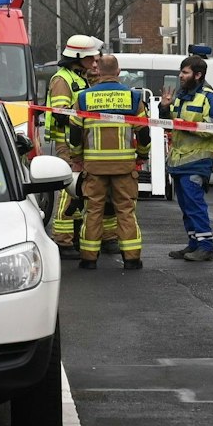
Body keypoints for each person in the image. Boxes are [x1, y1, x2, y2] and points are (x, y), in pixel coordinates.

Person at [72, 54, 147, 271]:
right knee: (125, 210)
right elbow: (144, 133)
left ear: (98, 71)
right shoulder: (133, 98)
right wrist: (142, 155)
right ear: (118, 71)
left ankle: (88, 259)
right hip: (124, 167)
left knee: (93, 211)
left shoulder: (84, 97)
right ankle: (131, 259)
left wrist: (77, 157)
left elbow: (75, 132)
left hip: (94, 167)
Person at [45, 34, 105, 257]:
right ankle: (62, 241)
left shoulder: (79, 77)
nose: (94, 62)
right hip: (68, 142)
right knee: (69, 190)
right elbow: (61, 115)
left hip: (79, 141)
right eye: (90, 58)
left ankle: (75, 235)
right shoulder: (62, 79)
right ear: (77, 57)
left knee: (80, 189)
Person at [161, 54, 213, 262]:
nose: (180, 76)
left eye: (185, 72)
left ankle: (206, 247)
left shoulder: (208, 97)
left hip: (197, 160)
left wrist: (187, 126)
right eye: (181, 71)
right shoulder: (181, 95)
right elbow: (171, 122)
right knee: (186, 207)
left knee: (195, 205)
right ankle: (194, 243)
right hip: (179, 160)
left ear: (198, 75)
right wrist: (165, 108)